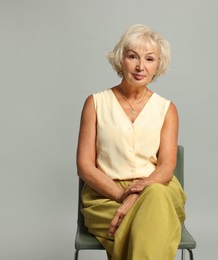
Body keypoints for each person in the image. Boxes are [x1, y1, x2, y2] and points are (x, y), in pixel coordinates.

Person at [76, 24, 186, 260]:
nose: (140, 66)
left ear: (158, 65)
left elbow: (167, 166)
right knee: (150, 226)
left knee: (155, 198)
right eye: (132, 56)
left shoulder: (167, 109)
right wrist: (121, 196)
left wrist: (138, 194)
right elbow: (85, 166)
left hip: (159, 189)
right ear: (120, 59)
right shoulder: (95, 103)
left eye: (149, 59)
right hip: (105, 196)